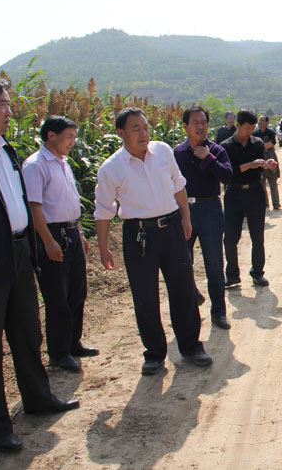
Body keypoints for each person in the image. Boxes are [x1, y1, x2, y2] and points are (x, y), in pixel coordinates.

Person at [0, 74, 79, 453]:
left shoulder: (6, 149)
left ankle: (38, 398)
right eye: (3, 105)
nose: (10, 111)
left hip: (18, 254)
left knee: (28, 331)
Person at [95, 107, 211, 376]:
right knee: (145, 296)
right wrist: (103, 248)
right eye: (136, 128)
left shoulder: (162, 151)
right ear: (121, 133)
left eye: (146, 127)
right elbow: (103, 210)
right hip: (138, 235)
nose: (143, 133)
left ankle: (191, 346)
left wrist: (185, 218)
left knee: (183, 288)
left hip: (171, 227)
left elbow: (178, 185)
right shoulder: (111, 168)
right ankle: (155, 353)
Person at [22, 115, 98, 373]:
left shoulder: (62, 162)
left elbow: (69, 201)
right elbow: (34, 207)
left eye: (74, 138)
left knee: (77, 292)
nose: (72, 143)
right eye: (68, 137)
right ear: (50, 136)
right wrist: (48, 241)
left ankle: (73, 342)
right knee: (58, 298)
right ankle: (58, 353)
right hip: (52, 235)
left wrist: (79, 233)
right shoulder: (36, 165)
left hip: (70, 233)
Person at [173, 106, 233, 330]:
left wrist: (208, 159)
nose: (200, 126)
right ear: (185, 126)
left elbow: (227, 176)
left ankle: (219, 312)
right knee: (181, 263)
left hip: (210, 210)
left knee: (215, 266)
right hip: (181, 212)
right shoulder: (176, 154)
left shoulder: (216, 150)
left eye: (204, 122)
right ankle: (192, 299)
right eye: (195, 122)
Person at [222, 109, 278, 288]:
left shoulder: (258, 143)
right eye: (247, 128)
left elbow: (260, 165)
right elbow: (227, 173)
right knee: (230, 237)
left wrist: (267, 164)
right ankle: (232, 275)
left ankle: (257, 272)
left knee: (257, 236)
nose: (250, 131)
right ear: (237, 126)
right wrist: (249, 165)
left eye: (253, 128)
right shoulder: (226, 146)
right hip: (234, 194)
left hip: (255, 192)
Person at [253, 114, 281, 209]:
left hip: (270, 155)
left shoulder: (270, 132)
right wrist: (265, 145)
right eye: (259, 120)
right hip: (260, 157)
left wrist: (261, 146)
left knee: (273, 180)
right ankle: (265, 203)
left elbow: (272, 143)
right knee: (262, 182)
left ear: (267, 122)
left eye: (262, 120)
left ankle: (276, 203)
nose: (260, 122)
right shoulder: (255, 133)